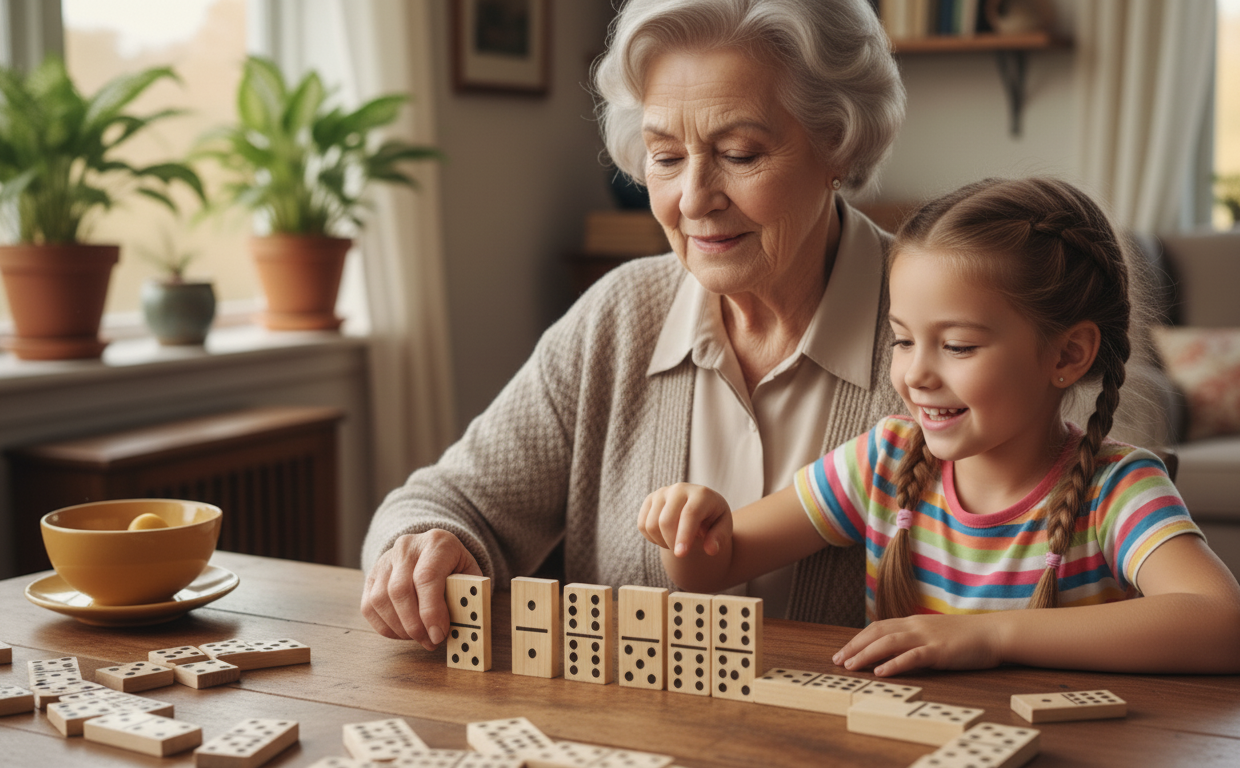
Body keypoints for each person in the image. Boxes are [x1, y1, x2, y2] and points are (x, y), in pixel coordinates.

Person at [359, 0, 910, 649]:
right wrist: (423, 546)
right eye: (666, 157)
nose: (693, 199)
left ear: (838, 144)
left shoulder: (951, 332)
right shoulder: (619, 317)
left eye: (739, 154)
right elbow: (452, 500)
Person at [638, 177, 1240, 676]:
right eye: (902, 340)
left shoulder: (1116, 489)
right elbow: (719, 566)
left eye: (958, 346)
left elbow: (1226, 626)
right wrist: (692, 533)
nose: (915, 375)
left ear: (1068, 355)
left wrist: (989, 635)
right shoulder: (884, 459)